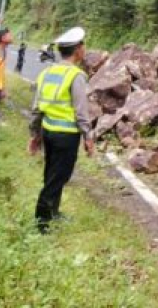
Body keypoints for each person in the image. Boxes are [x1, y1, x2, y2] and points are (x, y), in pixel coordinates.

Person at [28, 27, 95, 232]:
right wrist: (88, 137)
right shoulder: (76, 76)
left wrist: (35, 134)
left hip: (48, 131)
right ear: (78, 50)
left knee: (51, 172)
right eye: (83, 46)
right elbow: (81, 111)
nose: (84, 49)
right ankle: (42, 221)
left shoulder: (48, 72)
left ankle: (53, 212)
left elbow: (37, 106)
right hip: (66, 135)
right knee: (59, 176)